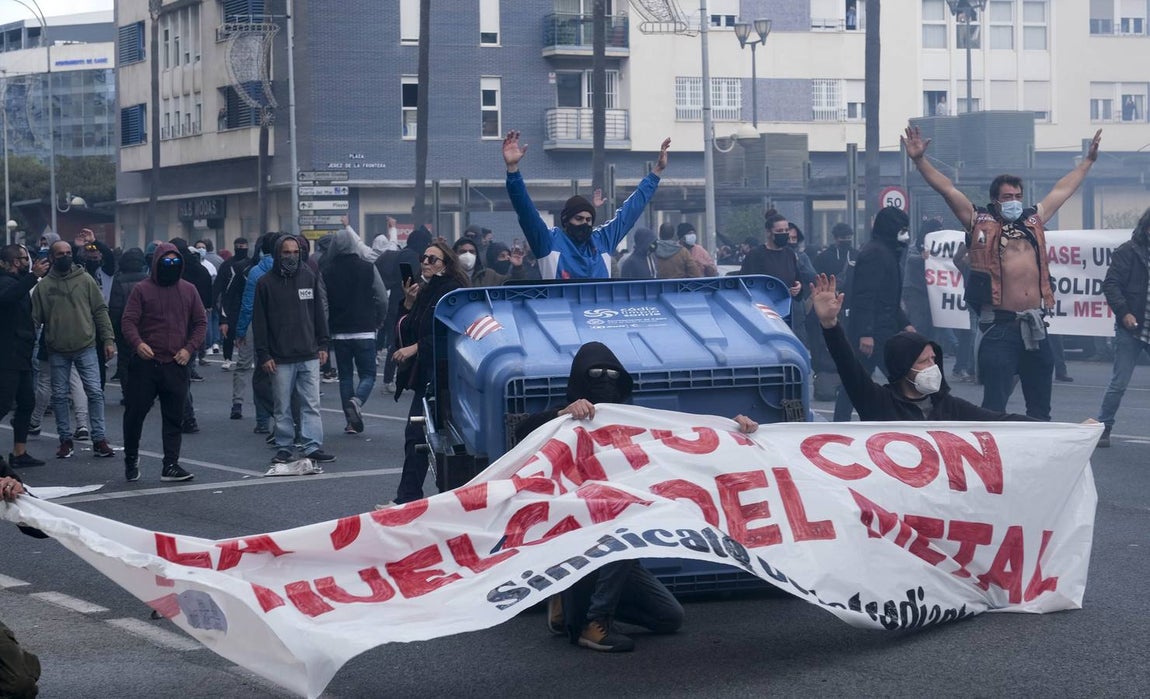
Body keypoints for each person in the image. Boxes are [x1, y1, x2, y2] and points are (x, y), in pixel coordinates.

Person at [513, 341, 758, 652]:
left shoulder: (629, 422)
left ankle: (569, 600)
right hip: (576, 541)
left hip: (611, 557)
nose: (605, 380)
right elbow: (522, 434)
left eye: (613, 375)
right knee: (627, 521)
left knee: (669, 617)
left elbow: (682, 439)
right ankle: (593, 622)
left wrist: (734, 430)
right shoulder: (562, 421)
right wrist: (561, 414)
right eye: (596, 373)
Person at [903, 123, 1102, 420]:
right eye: (1007, 197)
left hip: (1035, 325)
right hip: (1000, 327)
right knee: (994, 407)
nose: (1013, 201)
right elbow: (947, 189)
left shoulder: (1033, 219)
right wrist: (920, 161)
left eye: (1017, 196)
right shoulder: (979, 220)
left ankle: (1039, 458)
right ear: (996, 199)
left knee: (1040, 408)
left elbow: (1063, 189)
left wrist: (1087, 162)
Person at [811, 274, 1033, 421]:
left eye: (934, 360)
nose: (932, 367)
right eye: (924, 361)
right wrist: (830, 325)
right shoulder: (878, 402)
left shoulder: (949, 408)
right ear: (904, 367)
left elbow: (999, 422)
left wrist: (1055, 430)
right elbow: (848, 366)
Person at [503, 129, 671, 279]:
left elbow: (631, 210)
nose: (584, 223)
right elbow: (525, 211)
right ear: (566, 220)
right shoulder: (548, 241)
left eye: (588, 220)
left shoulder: (602, 240)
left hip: (601, 313)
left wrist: (656, 172)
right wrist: (513, 169)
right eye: (579, 218)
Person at [120, 242, 207, 482]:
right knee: (135, 414)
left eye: (175, 262)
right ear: (156, 263)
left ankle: (171, 464)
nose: (171, 265)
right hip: (146, 364)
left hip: (176, 363)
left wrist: (189, 349)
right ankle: (130, 457)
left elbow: (200, 323)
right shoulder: (141, 289)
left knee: (173, 417)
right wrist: (138, 344)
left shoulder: (189, 290)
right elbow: (128, 321)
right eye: (166, 261)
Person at [390, 242, 470, 504]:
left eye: (432, 259)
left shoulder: (451, 292)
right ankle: (409, 497)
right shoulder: (426, 291)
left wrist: (417, 347)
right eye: (423, 257)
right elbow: (408, 329)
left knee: (433, 438)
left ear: (445, 265)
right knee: (420, 436)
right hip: (427, 374)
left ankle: (413, 498)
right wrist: (409, 302)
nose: (425, 262)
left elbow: (451, 333)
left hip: (445, 377)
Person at [30, 240, 116, 460]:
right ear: (51, 257)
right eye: (60, 254)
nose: (65, 256)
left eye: (68, 252)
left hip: (86, 345)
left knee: (95, 392)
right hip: (56, 348)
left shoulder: (85, 280)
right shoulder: (43, 286)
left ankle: (99, 438)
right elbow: (34, 319)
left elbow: (100, 310)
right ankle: (65, 440)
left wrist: (108, 339)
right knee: (59, 396)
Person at [252, 235, 333, 464]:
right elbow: (260, 323)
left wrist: (323, 343)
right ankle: (284, 446)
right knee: (282, 406)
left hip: (309, 352)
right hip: (280, 357)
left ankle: (312, 446)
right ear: (278, 254)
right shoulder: (265, 283)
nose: (291, 256)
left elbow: (319, 311)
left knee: (311, 404)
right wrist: (264, 354)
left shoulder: (309, 276)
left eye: (295, 252)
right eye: (286, 252)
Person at [833, 206, 915, 421]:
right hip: (874, 332)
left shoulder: (886, 252)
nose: (905, 234)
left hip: (884, 328)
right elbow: (865, 296)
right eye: (902, 229)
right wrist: (865, 333)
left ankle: (844, 421)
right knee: (894, 379)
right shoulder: (875, 254)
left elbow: (888, 298)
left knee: (857, 381)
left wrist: (904, 323)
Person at [1095, 208, 1150, 448]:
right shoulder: (1127, 251)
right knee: (1119, 383)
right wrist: (1124, 312)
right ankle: (1104, 427)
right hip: (1133, 328)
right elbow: (1111, 284)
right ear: (1146, 228)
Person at [324, 227, 388, 434]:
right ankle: (357, 401)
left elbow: (323, 305)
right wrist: (379, 319)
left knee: (344, 377)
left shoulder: (326, 271)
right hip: (365, 329)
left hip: (339, 332)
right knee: (368, 374)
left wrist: (325, 331)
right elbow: (381, 298)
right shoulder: (367, 268)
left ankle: (351, 422)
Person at [0, 244, 49, 468]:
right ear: (7, 263)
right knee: (3, 404)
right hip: (7, 355)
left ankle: (19, 453)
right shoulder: (5, 281)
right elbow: (8, 298)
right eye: (20, 259)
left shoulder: (19, 282)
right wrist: (32, 277)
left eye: (25, 258)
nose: (26, 262)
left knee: (27, 402)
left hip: (21, 354)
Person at [375, 226, 433, 395]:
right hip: (404, 302)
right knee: (398, 341)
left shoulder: (405, 253)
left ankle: (393, 378)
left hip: (397, 300)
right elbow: (412, 281)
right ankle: (390, 379)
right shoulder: (411, 257)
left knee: (398, 340)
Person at [237, 233, 281, 433]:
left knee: (261, 373)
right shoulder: (292, 268)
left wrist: (240, 331)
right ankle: (286, 418)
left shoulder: (256, 271)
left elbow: (247, 304)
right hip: (285, 327)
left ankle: (263, 421)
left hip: (259, 326)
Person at [740, 211, 804, 302]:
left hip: (787, 307)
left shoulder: (789, 254)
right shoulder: (756, 254)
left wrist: (798, 287)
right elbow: (745, 284)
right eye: (779, 231)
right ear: (768, 233)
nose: (784, 233)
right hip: (763, 308)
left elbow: (797, 280)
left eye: (786, 230)